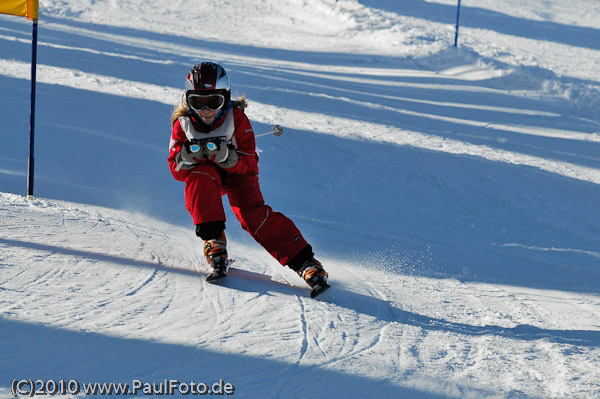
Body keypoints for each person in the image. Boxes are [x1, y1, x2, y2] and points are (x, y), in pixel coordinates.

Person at [167, 62, 329, 294]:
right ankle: (214, 240)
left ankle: (306, 262)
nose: (206, 111)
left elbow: (249, 162)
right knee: (198, 177)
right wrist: (187, 157)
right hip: (207, 175)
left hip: (239, 175)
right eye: (198, 103)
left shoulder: (236, 119)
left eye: (213, 102)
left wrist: (226, 157)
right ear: (188, 100)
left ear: (226, 98)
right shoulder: (182, 125)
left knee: (251, 215)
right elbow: (176, 170)